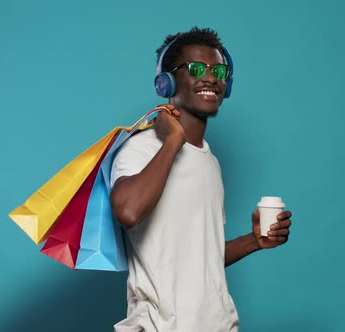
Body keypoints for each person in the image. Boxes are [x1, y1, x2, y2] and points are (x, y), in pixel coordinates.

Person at [109, 27, 293, 332]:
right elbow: (127, 211)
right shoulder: (140, 149)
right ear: (165, 82)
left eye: (218, 70)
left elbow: (200, 258)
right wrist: (172, 142)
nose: (210, 78)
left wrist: (254, 241)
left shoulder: (210, 162)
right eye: (196, 69)